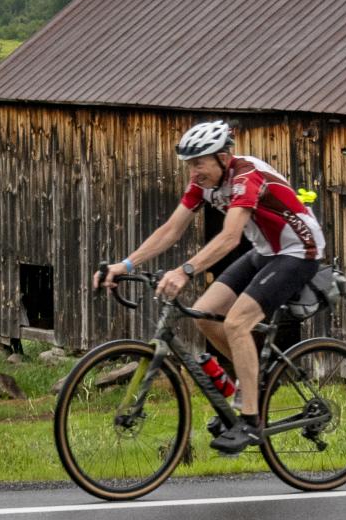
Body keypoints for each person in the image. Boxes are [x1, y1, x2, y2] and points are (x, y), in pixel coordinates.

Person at [93, 120, 325, 454]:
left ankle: (250, 421)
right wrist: (125, 265)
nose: (193, 171)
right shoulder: (202, 184)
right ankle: (252, 383)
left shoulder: (246, 177)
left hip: (298, 252)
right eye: (189, 164)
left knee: (236, 322)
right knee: (204, 314)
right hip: (265, 251)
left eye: (199, 162)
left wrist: (186, 270)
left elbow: (231, 237)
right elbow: (171, 229)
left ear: (224, 157)